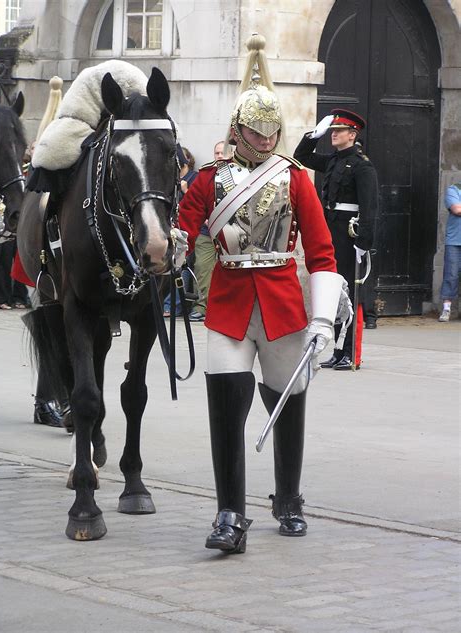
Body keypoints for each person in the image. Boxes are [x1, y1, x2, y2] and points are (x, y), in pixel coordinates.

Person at [178, 33, 345, 554]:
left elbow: (321, 254)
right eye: (257, 131)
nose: (267, 139)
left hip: (281, 306)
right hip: (228, 304)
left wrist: (322, 320)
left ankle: (289, 496)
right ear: (238, 128)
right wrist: (170, 244)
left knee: (288, 401)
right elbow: (185, 229)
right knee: (226, 407)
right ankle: (230, 513)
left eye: (274, 131)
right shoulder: (209, 179)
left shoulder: (296, 181)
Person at [294, 109, 379, 369]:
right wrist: (312, 136)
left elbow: (370, 206)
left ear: (352, 135)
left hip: (349, 234)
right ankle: (339, 349)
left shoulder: (362, 165)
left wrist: (364, 243)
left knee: (350, 292)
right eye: (332, 131)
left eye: (339, 131)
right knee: (335, 290)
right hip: (331, 230)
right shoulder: (333, 160)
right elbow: (301, 157)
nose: (334, 134)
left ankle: (351, 351)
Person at [187, 141, 231, 322]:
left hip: (230, 234)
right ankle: (202, 306)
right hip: (206, 232)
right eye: (217, 153)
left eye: (223, 153)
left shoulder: (240, 176)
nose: (219, 156)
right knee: (203, 269)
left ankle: (226, 307)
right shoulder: (205, 176)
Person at [163, 144, 198, 317]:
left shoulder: (195, 178)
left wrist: (185, 190)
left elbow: (198, 205)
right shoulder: (169, 179)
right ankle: (166, 304)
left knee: (181, 266)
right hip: (169, 227)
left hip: (186, 229)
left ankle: (174, 306)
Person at [439, 183, 461, 322]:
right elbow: (457, 209)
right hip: (454, 242)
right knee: (451, 275)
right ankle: (446, 309)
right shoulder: (454, 189)